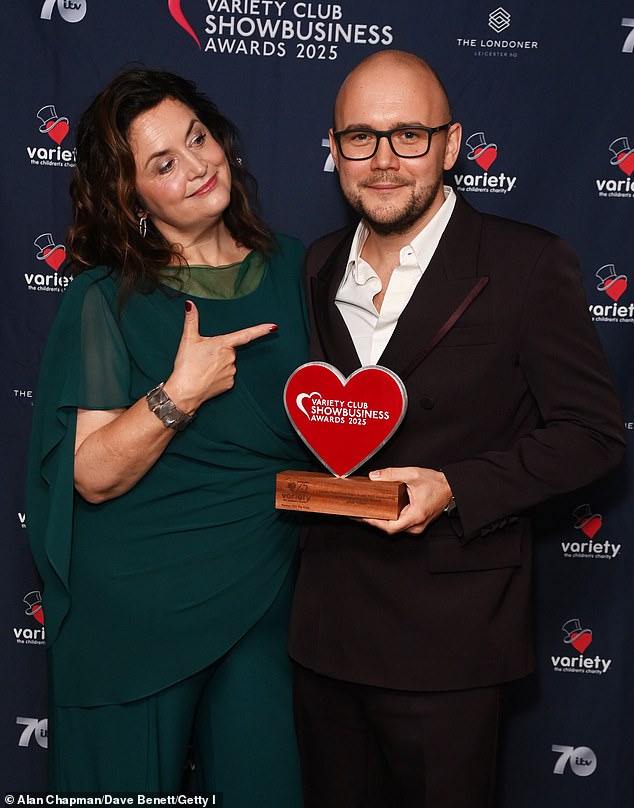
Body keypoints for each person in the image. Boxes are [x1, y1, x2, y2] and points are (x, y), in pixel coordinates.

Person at [289, 50, 626, 808]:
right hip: (325, 631)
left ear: (451, 144)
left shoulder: (526, 263)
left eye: (409, 135)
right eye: (360, 137)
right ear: (334, 148)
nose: (383, 160)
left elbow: (594, 432)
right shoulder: (315, 265)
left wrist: (457, 487)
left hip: (449, 641)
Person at [26, 68, 309, 803]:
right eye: (163, 164)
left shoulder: (302, 270)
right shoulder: (105, 299)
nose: (196, 166)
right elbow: (90, 474)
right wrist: (179, 393)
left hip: (265, 593)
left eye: (198, 138)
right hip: (136, 607)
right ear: (132, 199)